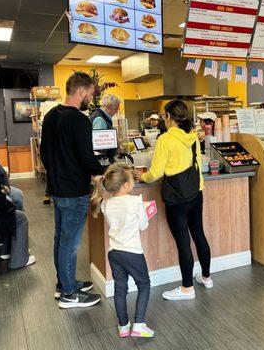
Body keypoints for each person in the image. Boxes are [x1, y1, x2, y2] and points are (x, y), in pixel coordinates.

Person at [135, 100, 212, 301]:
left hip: (177, 198)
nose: (163, 119)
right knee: (199, 234)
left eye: (163, 116)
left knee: (183, 242)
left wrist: (141, 176)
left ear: (169, 116)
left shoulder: (165, 139)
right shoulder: (192, 135)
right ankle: (206, 277)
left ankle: (187, 288)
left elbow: (155, 173)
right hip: (196, 191)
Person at [40, 71, 106, 309]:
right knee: (70, 243)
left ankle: (64, 284)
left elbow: (44, 154)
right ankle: (69, 294)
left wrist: (57, 174)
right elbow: (87, 157)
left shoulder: (50, 116)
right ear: (81, 91)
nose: (89, 98)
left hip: (57, 188)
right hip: (74, 191)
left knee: (61, 239)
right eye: (89, 93)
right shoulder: (78, 120)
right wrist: (102, 172)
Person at [90, 163, 154, 338]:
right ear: (126, 185)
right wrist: (146, 212)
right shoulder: (135, 201)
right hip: (132, 252)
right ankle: (139, 324)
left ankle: (124, 326)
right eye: (132, 179)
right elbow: (143, 225)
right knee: (144, 285)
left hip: (114, 252)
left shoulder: (106, 204)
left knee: (120, 289)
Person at [90, 94, 122, 162]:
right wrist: (115, 141)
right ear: (109, 106)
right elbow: (99, 144)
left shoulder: (102, 116)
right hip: (102, 160)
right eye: (116, 108)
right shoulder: (100, 119)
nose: (116, 111)